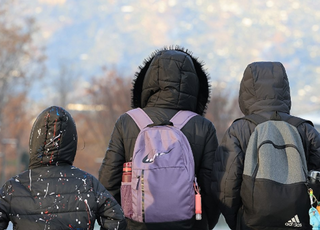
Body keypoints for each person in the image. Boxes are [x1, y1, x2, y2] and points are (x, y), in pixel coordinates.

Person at [99, 47, 220, 230]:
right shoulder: (203, 126)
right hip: (188, 225)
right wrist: (203, 224)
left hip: (136, 224)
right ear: (193, 84)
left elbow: (108, 181)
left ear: (147, 82)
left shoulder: (128, 122)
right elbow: (212, 188)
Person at [211, 61, 320, 230]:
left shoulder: (239, 130)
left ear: (246, 92)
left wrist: (238, 221)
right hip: (300, 222)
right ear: (285, 90)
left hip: (252, 223)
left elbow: (226, 185)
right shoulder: (305, 129)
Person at [0, 106, 127, 230]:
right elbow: (116, 219)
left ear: (34, 141)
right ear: (71, 143)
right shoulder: (88, 183)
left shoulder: (14, 187)